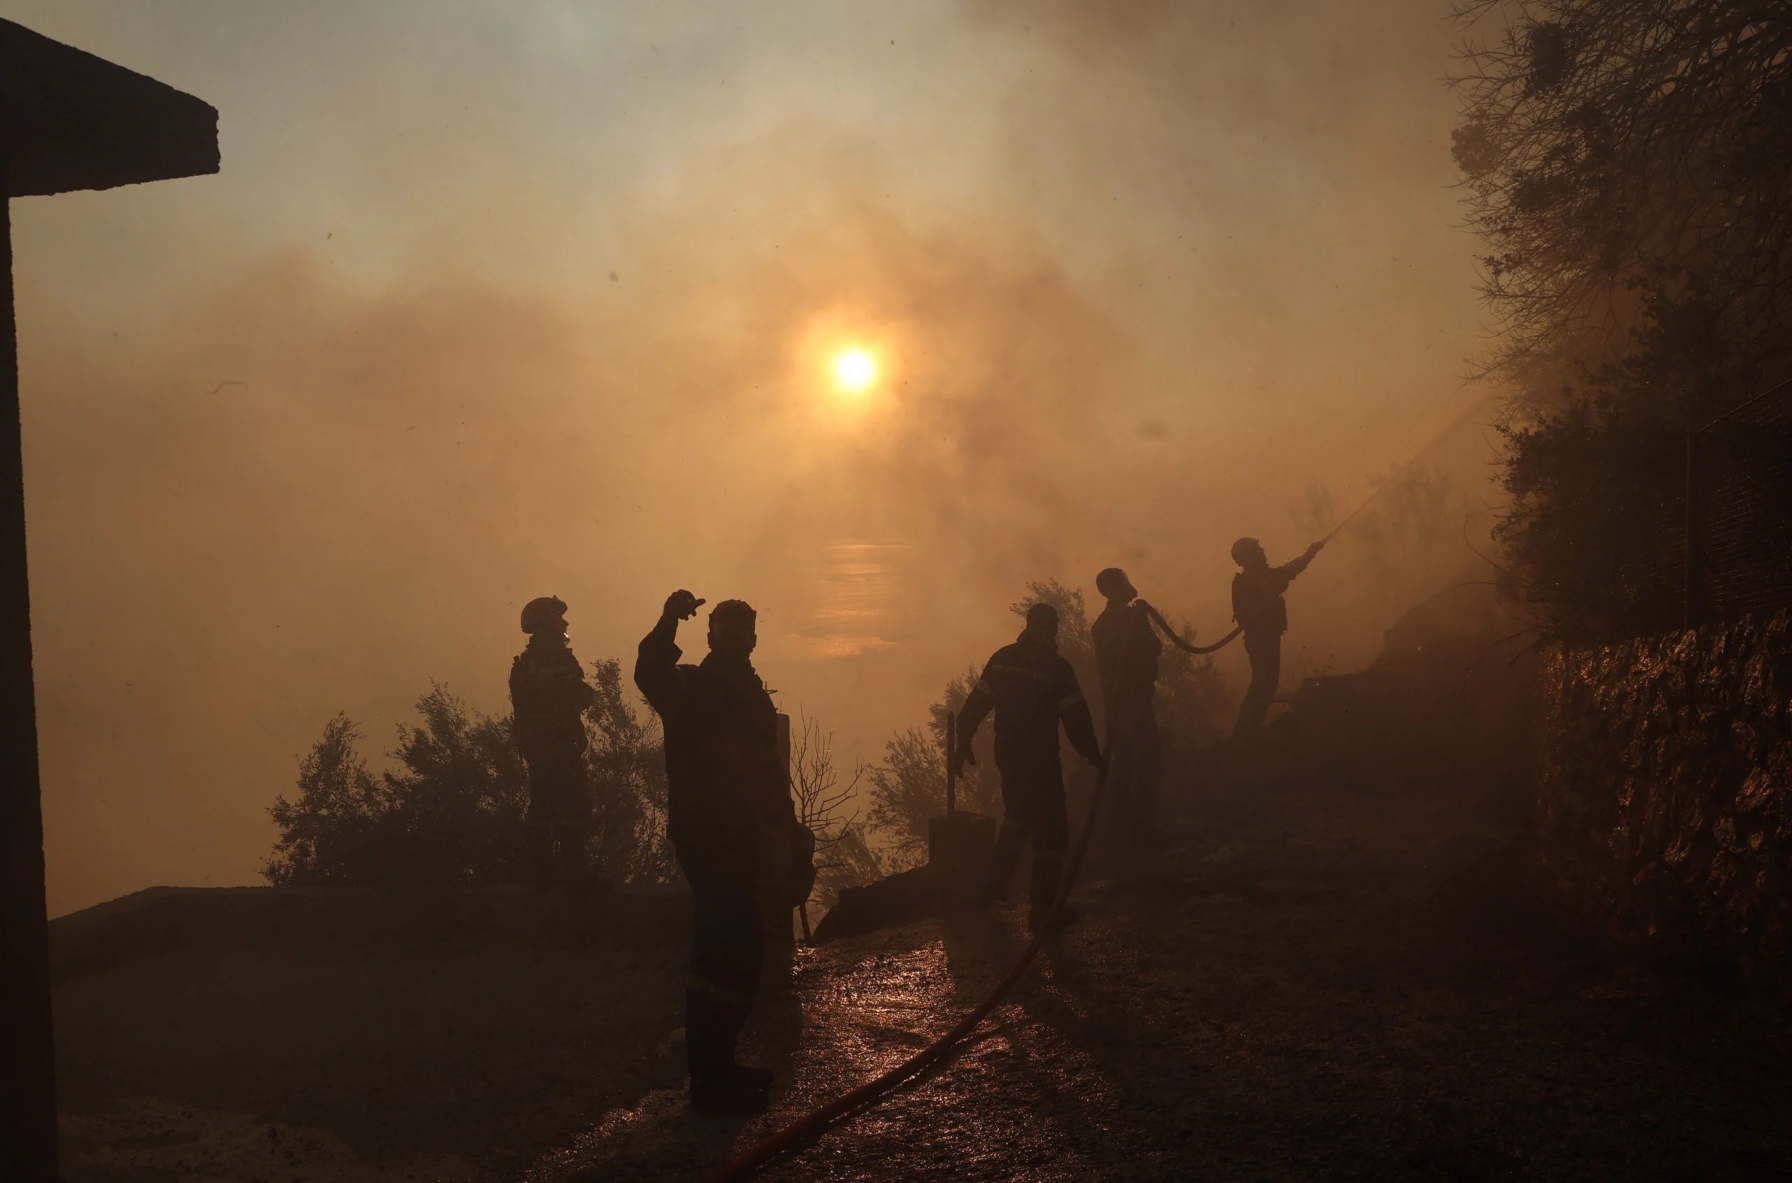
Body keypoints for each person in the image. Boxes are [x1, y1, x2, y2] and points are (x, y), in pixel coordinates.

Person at [635, 590, 790, 1115]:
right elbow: (650, 672)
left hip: (737, 833)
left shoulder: (749, 695)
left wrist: (786, 827)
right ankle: (710, 1079)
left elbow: (769, 768)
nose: (738, 638)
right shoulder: (692, 687)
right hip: (707, 836)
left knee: (735, 950)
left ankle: (719, 1067)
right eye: (727, 629)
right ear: (710, 636)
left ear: (752, 637)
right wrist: (665, 622)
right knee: (725, 950)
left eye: (744, 629)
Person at [952, 601, 1104, 932]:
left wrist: (962, 742)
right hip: (1040, 757)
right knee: (1053, 832)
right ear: (1053, 629)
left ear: (1027, 623)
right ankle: (1044, 911)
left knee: (1018, 816)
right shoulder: (1057, 668)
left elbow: (975, 706)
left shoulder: (1003, 658)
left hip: (1007, 754)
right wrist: (1094, 754)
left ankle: (992, 889)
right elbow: (1076, 721)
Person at [509, 595, 597, 891]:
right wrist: (585, 696)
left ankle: (543, 878)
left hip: (538, 747)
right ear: (546, 624)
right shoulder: (553, 658)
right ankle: (576, 877)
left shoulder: (526, 663)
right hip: (556, 743)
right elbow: (562, 697)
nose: (564, 623)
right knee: (574, 805)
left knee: (543, 808)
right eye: (558, 618)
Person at [1091, 568, 1165, 851]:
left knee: (1124, 763)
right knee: (1147, 759)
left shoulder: (1101, 625)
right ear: (1116, 587)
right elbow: (1154, 648)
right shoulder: (1131, 619)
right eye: (1123, 583)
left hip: (1119, 702)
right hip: (1134, 700)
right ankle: (1141, 829)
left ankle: (1120, 828)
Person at [1230, 538, 1324, 736]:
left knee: (1266, 683)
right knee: (1263, 684)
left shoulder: (1260, 578)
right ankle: (1245, 730)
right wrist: (1310, 553)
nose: (1263, 551)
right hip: (1260, 641)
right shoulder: (1248, 582)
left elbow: (1289, 570)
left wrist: (1310, 553)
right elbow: (1287, 573)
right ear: (1250, 557)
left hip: (1265, 638)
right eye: (1257, 550)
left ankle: (1248, 728)